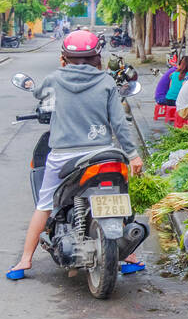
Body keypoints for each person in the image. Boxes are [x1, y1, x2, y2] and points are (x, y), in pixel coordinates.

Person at [8, 30, 144, 280]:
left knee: (45, 204)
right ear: (97, 57)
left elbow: (39, 94)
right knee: (118, 193)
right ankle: (131, 255)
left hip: (63, 156)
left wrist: (51, 75)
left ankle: (25, 260)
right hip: (103, 153)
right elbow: (119, 124)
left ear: (65, 57)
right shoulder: (106, 82)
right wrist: (133, 155)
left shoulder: (54, 79)